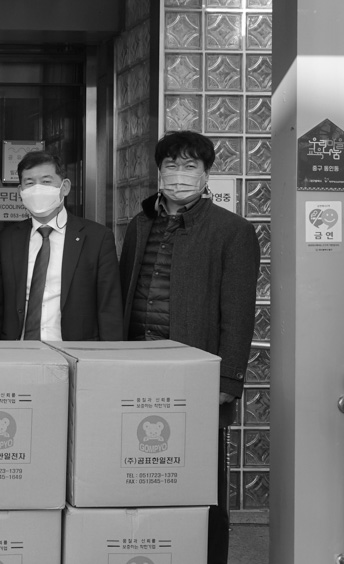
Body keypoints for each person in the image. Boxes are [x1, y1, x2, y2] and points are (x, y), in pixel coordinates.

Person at [119, 130, 260, 564]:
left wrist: (228, 380)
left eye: (190, 166)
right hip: (136, 366)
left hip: (196, 374)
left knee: (202, 481)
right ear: (158, 172)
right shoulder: (140, 224)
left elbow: (238, 312)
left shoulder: (232, 231)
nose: (179, 175)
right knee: (139, 467)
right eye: (171, 165)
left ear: (206, 174)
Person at [0, 150, 123, 341]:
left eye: (46, 181)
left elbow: (109, 306)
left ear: (65, 187)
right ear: (21, 191)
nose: (37, 189)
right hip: (18, 350)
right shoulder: (6, 239)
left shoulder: (97, 238)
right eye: (29, 183)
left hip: (75, 351)